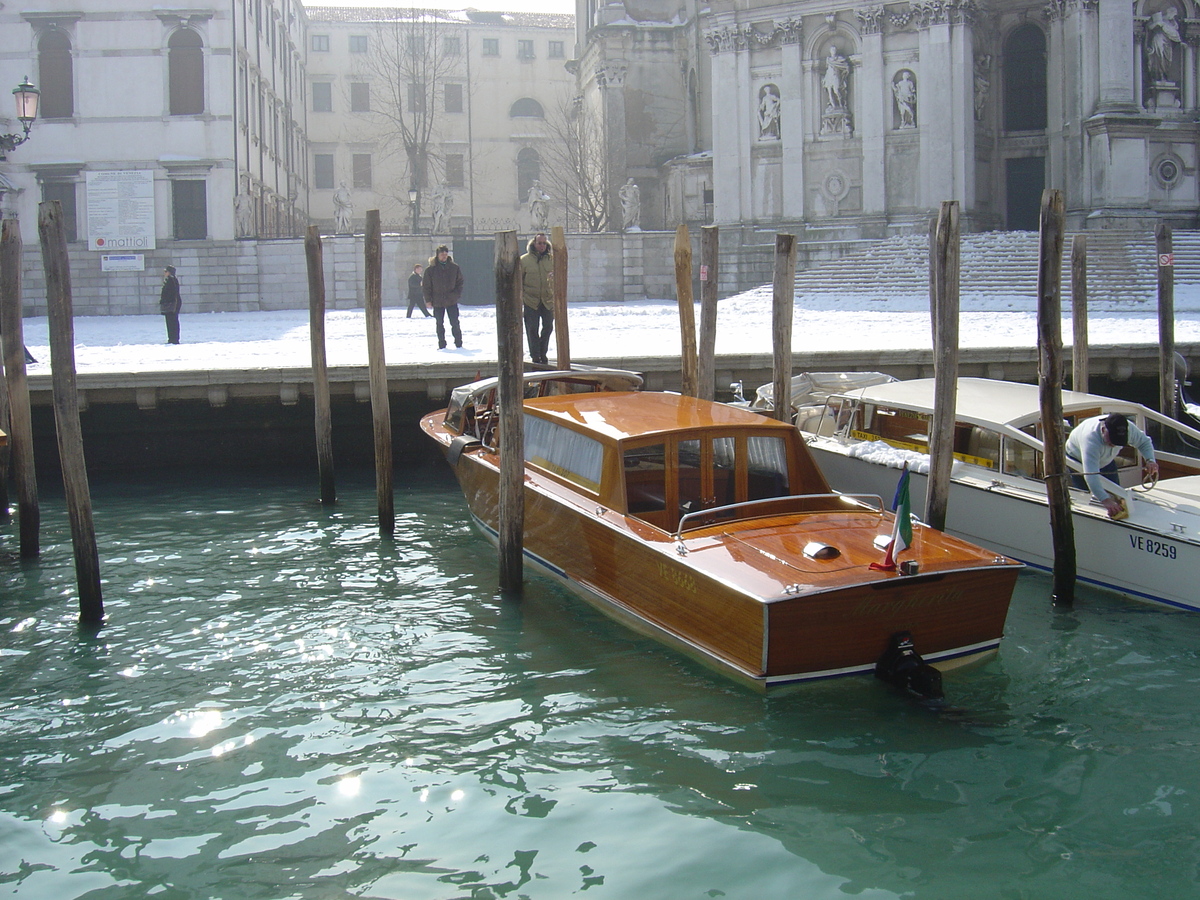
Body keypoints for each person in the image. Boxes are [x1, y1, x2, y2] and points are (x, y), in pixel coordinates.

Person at [1065, 412, 1159, 516]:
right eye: (1111, 440)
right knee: (1087, 499)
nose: (1113, 445)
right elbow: (1091, 475)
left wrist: (1150, 460)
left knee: (1117, 494)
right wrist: (1105, 500)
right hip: (1078, 461)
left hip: (1107, 461)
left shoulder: (1128, 428)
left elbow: (1144, 442)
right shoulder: (1090, 439)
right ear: (1104, 429)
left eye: (1118, 442)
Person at [520, 233, 554, 365]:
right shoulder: (524, 260)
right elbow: (519, 281)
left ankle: (542, 352)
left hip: (547, 300)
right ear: (534, 244)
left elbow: (558, 278)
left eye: (544, 243)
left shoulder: (551, 260)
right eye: (539, 243)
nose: (542, 246)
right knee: (532, 328)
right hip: (530, 300)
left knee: (548, 327)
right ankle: (535, 355)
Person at [422, 244, 464, 349]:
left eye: (446, 254)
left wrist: (456, 295)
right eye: (442, 254)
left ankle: (459, 344)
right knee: (439, 323)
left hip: (451, 300)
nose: (444, 256)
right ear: (437, 255)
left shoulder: (454, 268)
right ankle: (442, 344)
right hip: (437, 301)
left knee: (455, 322)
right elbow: (426, 286)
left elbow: (460, 282)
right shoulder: (430, 270)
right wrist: (428, 300)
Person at [159, 265, 182, 345]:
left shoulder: (171, 280)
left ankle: (173, 339)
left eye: (166, 271)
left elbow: (171, 293)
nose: (164, 273)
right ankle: (172, 338)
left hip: (172, 304)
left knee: (172, 321)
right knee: (170, 321)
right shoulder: (170, 280)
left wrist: (166, 301)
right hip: (171, 303)